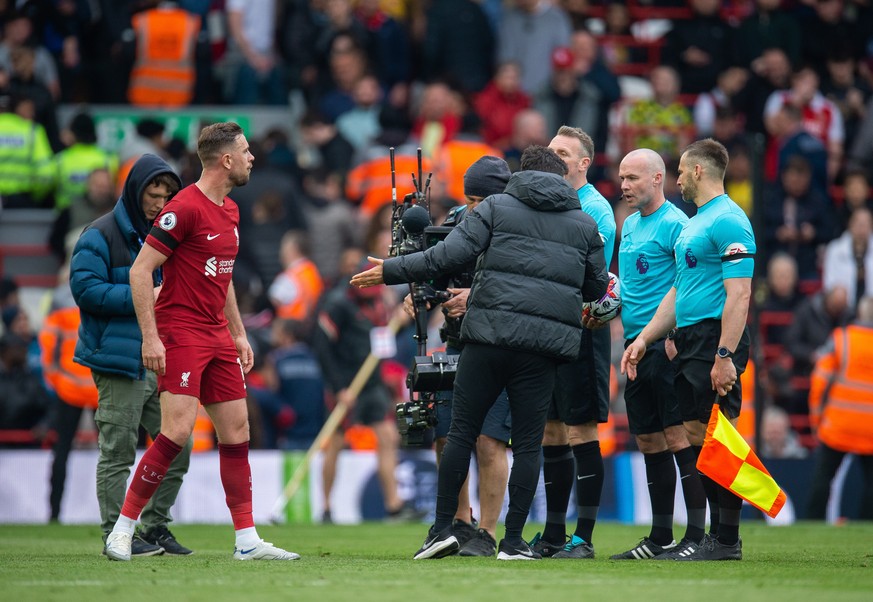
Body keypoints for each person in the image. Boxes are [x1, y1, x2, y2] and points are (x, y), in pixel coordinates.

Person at [351, 145, 609, 561]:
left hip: (487, 339)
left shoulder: (495, 209)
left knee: (461, 432)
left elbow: (447, 255)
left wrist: (391, 270)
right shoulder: (583, 225)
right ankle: (511, 541)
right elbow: (597, 289)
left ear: (522, 174)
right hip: (542, 350)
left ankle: (441, 530)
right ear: (561, 178)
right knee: (526, 445)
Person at [102, 122, 299, 561]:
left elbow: (221, 275)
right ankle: (122, 530)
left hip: (215, 333)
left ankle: (247, 541)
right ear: (225, 159)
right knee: (176, 431)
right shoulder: (183, 208)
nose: (252, 158)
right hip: (181, 331)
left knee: (237, 431)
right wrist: (150, 338)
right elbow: (139, 272)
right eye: (246, 151)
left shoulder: (230, 209)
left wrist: (238, 331)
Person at [622, 138, 756, 561]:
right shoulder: (698, 223)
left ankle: (727, 539)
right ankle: (716, 536)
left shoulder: (730, 220)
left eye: (680, 170)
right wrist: (645, 339)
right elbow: (679, 291)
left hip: (716, 338)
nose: (676, 177)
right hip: (691, 337)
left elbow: (740, 295)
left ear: (699, 171)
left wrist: (725, 356)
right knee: (700, 435)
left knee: (718, 436)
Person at [70, 153, 192, 557]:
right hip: (117, 360)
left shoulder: (167, 234)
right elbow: (85, 291)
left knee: (178, 443)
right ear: (134, 191)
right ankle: (114, 534)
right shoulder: (98, 234)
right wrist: (144, 295)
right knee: (118, 451)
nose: (159, 203)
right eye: (152, 194)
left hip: (158, 358)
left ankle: (155, 526)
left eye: (167, 195)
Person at [599, 148, 710, 560]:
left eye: (633, 178)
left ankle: (697, 536)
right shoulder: (627, 225)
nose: (625, 186)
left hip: (665, 346)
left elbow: (687, 286)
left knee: (680, 437)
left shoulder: (677, 226)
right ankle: (661, 536)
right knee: (648, 440)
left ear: (658, 178)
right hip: (634, 347)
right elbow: (629, 287)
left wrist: (671, 334)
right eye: (622, 178)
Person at [404, 155, 513, 557]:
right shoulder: (453, 220)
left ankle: (486, 532)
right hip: (456, 344)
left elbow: (521, 283)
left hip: (501, 344)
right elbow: (435, 271)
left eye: (479, 199)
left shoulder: (516, 225)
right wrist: (418, 295)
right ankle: (459, 524)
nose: (472, 207)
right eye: (469, 198)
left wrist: (476, 299)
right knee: (447, 437)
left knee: (490, 440)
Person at [529, 126, 615, 559]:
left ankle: (584, 536)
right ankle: (553, 534)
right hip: (548, 331)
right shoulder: (542, 202)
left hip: (582, 331)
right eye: (551, 151)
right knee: (551, 432)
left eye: (563, 153)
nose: (555, 158)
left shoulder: (596, 210)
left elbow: (590, 279)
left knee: (580, 430)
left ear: (584, 163)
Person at [807, 296, 873, 520]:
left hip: (838, 425)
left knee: (823, 479)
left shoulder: (842, 339)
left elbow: (819, 381)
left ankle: (812, 523)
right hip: (870, 430)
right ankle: (866, 525)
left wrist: (816, 420)